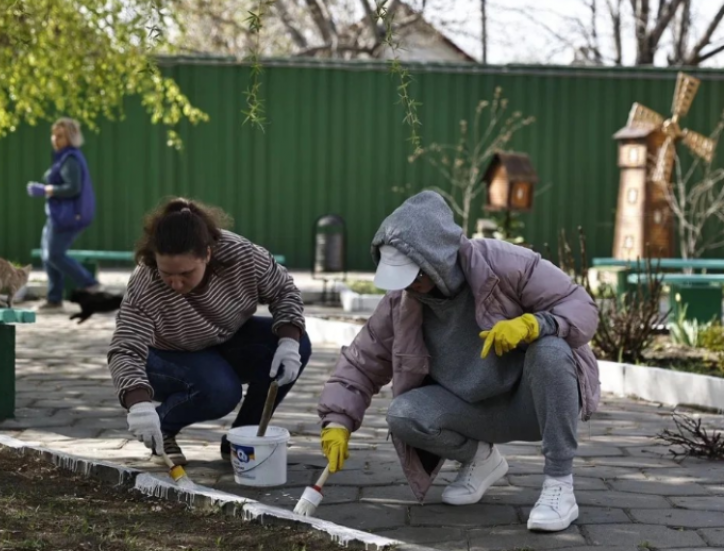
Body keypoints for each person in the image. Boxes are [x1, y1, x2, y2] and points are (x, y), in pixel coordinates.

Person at [317, 190, 599, 533]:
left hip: (532, 402)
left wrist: (534, 325)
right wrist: (336, 422)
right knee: (403, 414)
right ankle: (481, 460)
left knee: (551, 350)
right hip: (471, 412)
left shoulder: (504, 264)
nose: (411, 287)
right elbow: (362, 361)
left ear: (438, 258)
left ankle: (559, 486)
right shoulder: (401, 303)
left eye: (415, 275)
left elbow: (581, 306)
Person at [107, 197, 311, 465]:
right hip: (165, 354)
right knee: (221, 391)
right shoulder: (146, 280)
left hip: (223, 339)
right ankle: (163, 428)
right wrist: (138, 405)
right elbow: (125, 347)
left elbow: (284, 291)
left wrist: (288, 341)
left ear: (207, 254)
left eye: (186, 273)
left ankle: (243, 438)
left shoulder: (243, 256)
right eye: (167, 273)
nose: (176, 283)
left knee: (296, 343)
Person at [26, 117, 100, 311]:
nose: (55, 139)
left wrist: (47, 190)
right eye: (54, 134)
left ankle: (89, 283)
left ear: (71, 138)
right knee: (47, 255)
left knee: (55, 254)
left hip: (67, 216)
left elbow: (73, 188)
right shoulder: (64, 157)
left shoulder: (71, 159)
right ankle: (54, 298)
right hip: (57, 215)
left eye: (60, 136)